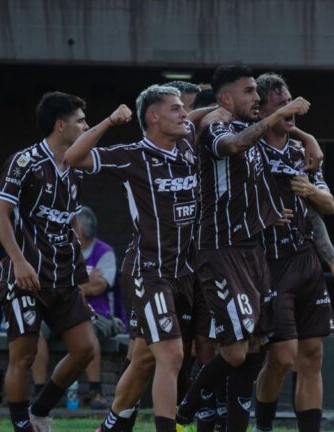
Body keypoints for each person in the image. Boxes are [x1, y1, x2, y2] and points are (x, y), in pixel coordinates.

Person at [175, 64, 314, 432]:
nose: (256, 98)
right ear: (226, 97)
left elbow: (288, 163)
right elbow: (233, 146)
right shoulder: (217, 127)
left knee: (255, 346)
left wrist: (270, 213)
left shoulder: (242, 127)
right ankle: (189, 402)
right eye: (249, 92)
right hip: (220, 250)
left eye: (257, 91)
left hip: (252, 250)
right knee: (234, 350)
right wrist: (281, 113)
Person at [0, 91, 129, 432]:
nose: (85, 125)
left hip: (64, 280)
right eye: (81, 120)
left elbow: (67, 225)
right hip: (26, 278)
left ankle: (40, 410)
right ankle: (22, 425)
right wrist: (19, 262)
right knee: (22, 357)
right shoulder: (24, 162)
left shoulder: (74, 169)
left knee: (85, 349)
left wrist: (79, 277)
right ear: (60, 125)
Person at [65, 85, 199, 432]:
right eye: (175, 109)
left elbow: (210, 114)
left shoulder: (186, 144)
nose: (184, 114)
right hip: (149, 270)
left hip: (183, 271)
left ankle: (112, 426)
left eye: (184, 110)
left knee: (142, 359)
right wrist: (110, 121)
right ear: (152, 117)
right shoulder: (131, 155)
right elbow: (74, 158)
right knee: (172, 354)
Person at [251, 73, 334, 432]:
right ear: (263, 109)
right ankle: (264, 426)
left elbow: (327, 205)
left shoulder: (301, 151)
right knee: (281, 357)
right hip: (267, 263)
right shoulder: (250, 148)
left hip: (305, 262)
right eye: (282, 103)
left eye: (291, 101)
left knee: (312, 355)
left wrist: (331, 258)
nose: (292, 109)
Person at [30, 206, 126, 410]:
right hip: (61, 310)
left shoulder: (105, 252)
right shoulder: (62, 249)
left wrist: (71, 285)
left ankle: (95, 391)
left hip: (99, 314)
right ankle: (39, 390)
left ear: (79, 232)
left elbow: (99, 286)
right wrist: (83, 283)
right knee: (36, 330)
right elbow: (53, 283)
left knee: (88, 329)